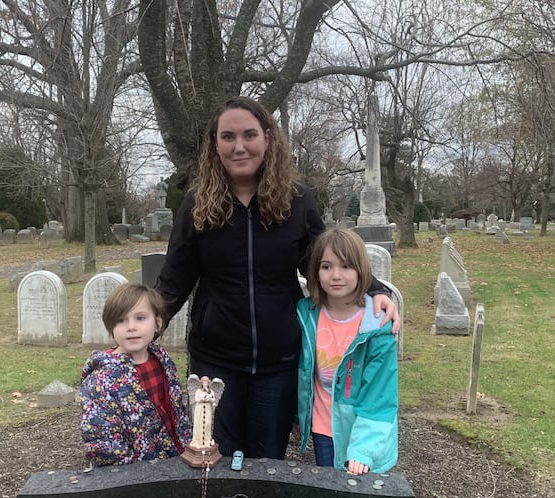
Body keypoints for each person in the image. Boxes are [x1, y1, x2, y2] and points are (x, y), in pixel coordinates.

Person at [154, 95, 399, 460]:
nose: (239, 146)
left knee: (267, 464)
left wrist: (374, 290)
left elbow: (323, 260)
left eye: (249, 135)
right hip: (215, 361)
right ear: (215, 145)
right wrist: (141, 327)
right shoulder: (196, 204)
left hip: (279, 361)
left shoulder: (297, 201)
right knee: (215, 461)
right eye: (228, 137)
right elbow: (173, 281)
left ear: (267, 138)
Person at [296, 227, 398, 474]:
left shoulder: (377, 328)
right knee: (330, 487)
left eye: (346, 266)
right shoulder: (305, 315)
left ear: (361, 270)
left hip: (364, 432)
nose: (336, 276)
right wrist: (298, 417)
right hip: (324, 429)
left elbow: (380, 395)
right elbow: (300, 372)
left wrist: (364, 449)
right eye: (326, 266)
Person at [78, 283, 192, 466]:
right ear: (111, 328)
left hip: (173, 460)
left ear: (158, 323)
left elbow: (177, 413)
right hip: (132, 472)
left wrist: (187, 446)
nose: (131, 327)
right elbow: (102, 440)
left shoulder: (162, 361)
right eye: (121, 320)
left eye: (140, 318)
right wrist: (134, 472)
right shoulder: (102, 379)